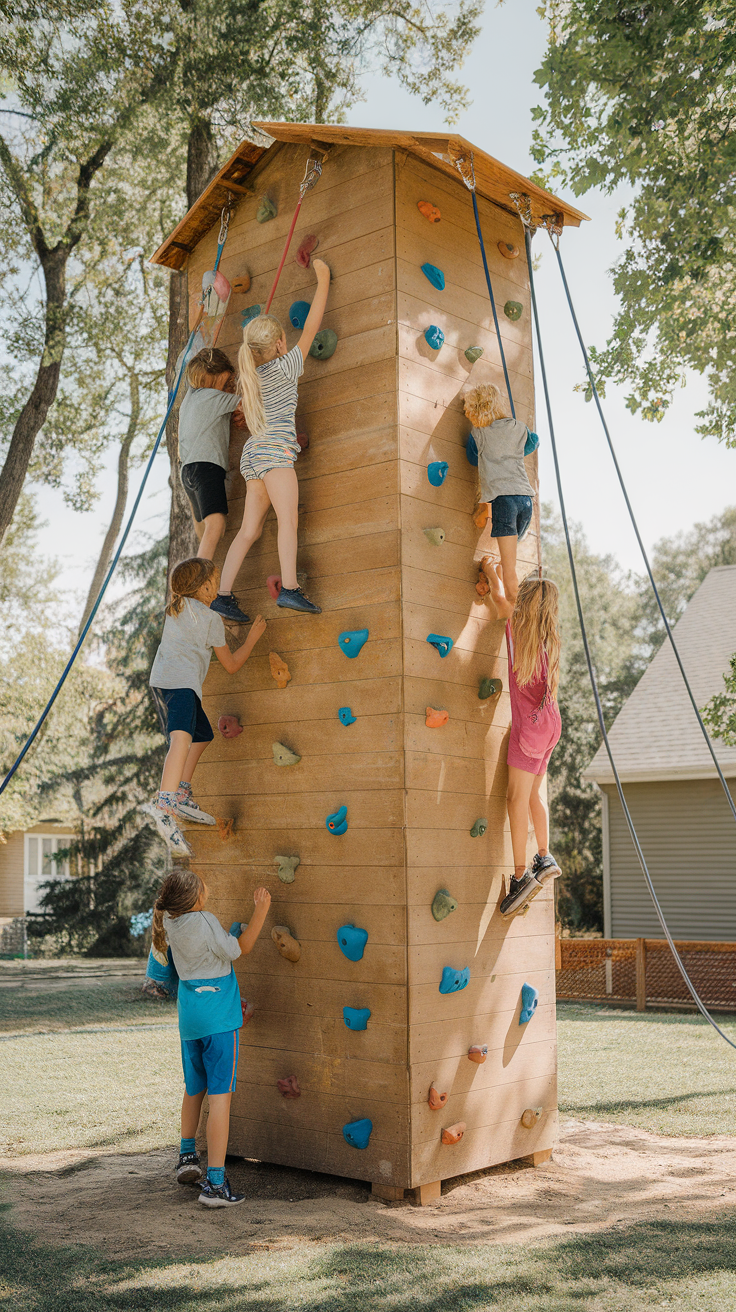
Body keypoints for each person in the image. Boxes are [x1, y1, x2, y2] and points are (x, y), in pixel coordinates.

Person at [210, 258, 331, 622]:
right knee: (287, 520)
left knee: (250, 529)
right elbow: (312, 326)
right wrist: (322, 280)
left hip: (254, 455)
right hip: (276, 453)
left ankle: (223, 595)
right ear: (280, 343)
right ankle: (290, 589)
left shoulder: (249, 378)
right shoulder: (289, 364)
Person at [152, 866, 271, 1207]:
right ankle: (216, 1184)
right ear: (197, 898)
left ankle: (187, 1157)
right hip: (219, 1018)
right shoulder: (204, 920)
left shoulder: (170, 923)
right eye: (203, 888)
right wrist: (260, 910)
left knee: (194, 1089)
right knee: (220, 1098)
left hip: (190, 1019)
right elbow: (241, 948)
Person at [142, 557, 266, 857]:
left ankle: (180, 793)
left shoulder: (179, 608)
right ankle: (165, 803)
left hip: (168, 682)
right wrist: (251, 638)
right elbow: (232, 664)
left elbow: (200, 627)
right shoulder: (208, 619)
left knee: (201, 736)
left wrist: (227, 629)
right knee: (182, 739)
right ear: (207, 585)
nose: (220, 584)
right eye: (217, 579)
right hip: (181, 683)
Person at [483, 569, 563, 918]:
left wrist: (490, 569)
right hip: (550, 724)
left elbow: (499, 597)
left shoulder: (516, 624)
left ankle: (520, 876)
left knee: (515, 799)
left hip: (529, 731)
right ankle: (544, 856)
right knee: (533, 795)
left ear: (524, 601)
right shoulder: (545, 637)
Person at [464, 382, 539, 610]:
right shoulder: (518, 426)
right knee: (512, 550)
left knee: (509, 570)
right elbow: (533, 442)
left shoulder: (478, 434)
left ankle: (515, 612)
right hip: (526, 499)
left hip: (503, 502)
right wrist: (513, 451)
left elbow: (471, 457)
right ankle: (494, 577)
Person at [178, 347, 246, 567]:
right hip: (206, 466)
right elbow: (247, 405)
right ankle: (199, 578)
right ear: (217, 376)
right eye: (226, 380)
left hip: (186, 471)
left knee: (208, 525)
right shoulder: (215, 397)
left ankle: (201, 559)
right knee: (216, 524)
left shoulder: (190, 398)